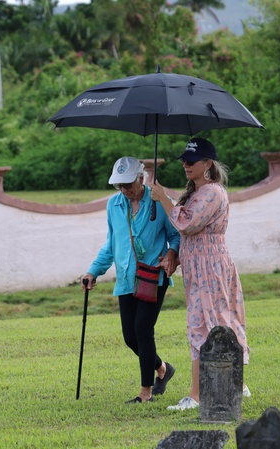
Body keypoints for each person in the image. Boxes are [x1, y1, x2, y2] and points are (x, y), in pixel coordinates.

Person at [150, 137, 250, 411]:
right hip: (201, 266)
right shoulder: (197, 193)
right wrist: (175, 256)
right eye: (184, 160)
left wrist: (163, 200)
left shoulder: (212, 192)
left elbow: (187, 223)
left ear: (207, 164)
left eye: (191, 161)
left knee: (205, 325)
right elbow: (192, 236)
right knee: (217, 322)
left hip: (210, 267)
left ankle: (196, 396)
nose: (185, 164)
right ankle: (236, 383)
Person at [82, 156, 181, 404]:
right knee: (130, 337)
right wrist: (93, 271)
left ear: (141, 178)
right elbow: (111, 244)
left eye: (128, 184)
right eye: (119, 185)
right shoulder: (114, 205)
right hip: (126, 278)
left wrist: (171, 253)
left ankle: (145, 392)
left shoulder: (160, 202)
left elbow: (177, 235)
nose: (124, 190)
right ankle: (162, 369)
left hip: (152, 277)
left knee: (143, 330)